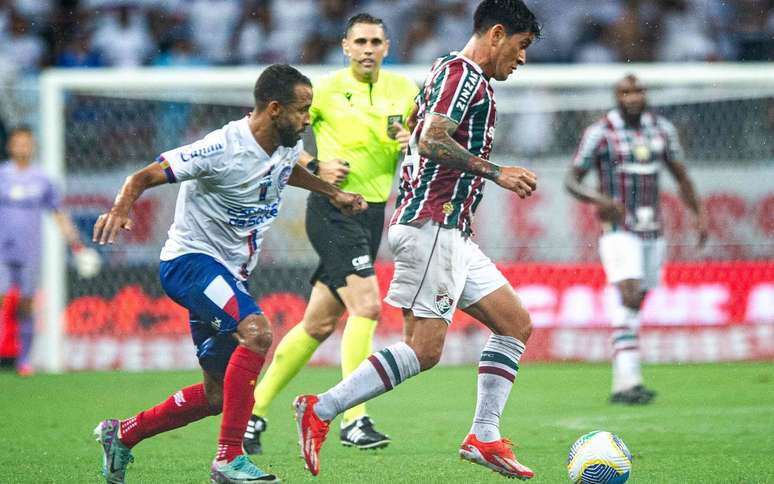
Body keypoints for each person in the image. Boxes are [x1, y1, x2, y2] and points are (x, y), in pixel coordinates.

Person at [293, 0, 541, 479]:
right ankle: (321, 409)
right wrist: (497, 172)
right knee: (425, 349)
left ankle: (484, 437)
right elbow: (430, 139)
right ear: (496, 34)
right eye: (521, 45)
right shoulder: (463, 74)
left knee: (514, 324)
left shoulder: (454, 74)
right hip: (432, 224)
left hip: (450, 229)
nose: (522, 57)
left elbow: (413, 137)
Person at [91, 64, 366, 484]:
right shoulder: (220, 147)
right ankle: (228, 459)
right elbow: (144, 175)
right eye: (302, 109)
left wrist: (334, 193)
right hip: (190, 263)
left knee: (217, 395)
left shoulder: (286, 143)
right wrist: (121, 208)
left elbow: (285, 170)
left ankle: (123, 434)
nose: (308, 118)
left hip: (228, 275)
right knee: (256, 332)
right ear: (274, 109)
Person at [242, 12, 418, 455]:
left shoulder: (405, 90)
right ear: (344, 46)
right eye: (359, 41)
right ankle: (353, 418)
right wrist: (314, 166)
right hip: (331, 208)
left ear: (387, 47)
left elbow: (421, 137)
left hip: (372, 212)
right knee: (368, 306)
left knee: (319, 323)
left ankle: (253, 414)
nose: (367, 49)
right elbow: (278, 134)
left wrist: (409, 137)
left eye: (375, 41)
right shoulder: (322, 91)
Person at [565, 74, 707, 405]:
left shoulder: (662, 130)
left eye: (638, 91)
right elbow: (572, 180)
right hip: (618, 229)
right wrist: (599, 201)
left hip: (652, 229)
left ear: (645, 94)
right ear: (617, 96)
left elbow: (680, 175)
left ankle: (626, 381)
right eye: (625, 92)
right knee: (628, 295)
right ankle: (627, 381)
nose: (632, 97)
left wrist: (699, 214)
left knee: (636, 302)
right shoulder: (600, 133)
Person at [0, 126, 100, 376]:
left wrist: (77, 245)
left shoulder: (43, 179)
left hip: (29, 251)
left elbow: (58, 214)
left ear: (33, 146)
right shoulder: (2, 175)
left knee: (26, 303)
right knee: (1, 298)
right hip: (2, 249)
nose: (23, 147)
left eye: (27, 143)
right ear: (10, 146)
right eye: (18, 143)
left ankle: (24, 361)